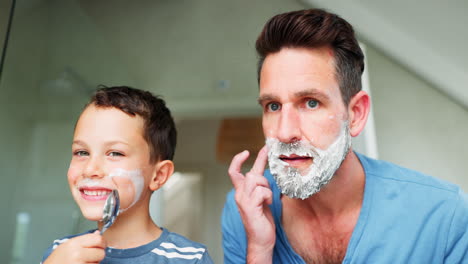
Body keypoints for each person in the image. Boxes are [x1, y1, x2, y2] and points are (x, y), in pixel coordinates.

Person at [222, 9, 468, 264]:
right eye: (273, 106)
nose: (285, 132)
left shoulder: (444, 216)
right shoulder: (246, 210)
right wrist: (260, 250)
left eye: (311, 103)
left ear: (356, 114)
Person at [41, 86, 213, 263]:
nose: (90, 170)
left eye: (115, 153)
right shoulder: (60, 253)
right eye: (82, 152)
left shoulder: (190, 259)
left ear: (158, 175)